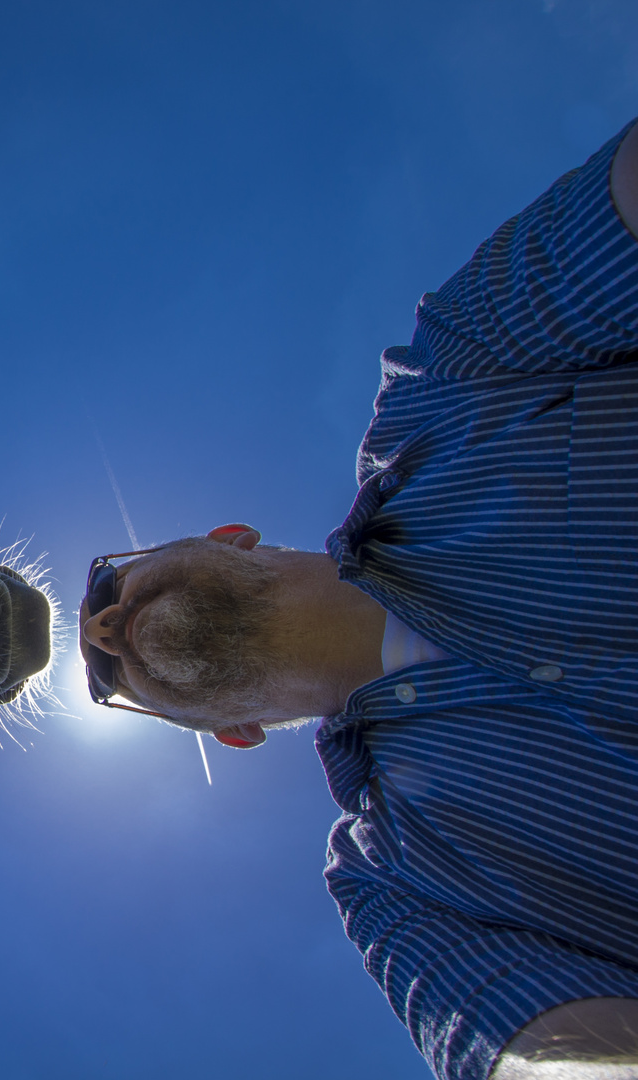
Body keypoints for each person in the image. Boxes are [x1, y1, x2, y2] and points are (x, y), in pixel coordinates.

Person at [81, 119, 638, 1080]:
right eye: (102, 675)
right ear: (234, 734)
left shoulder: (453, 381)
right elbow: (536, 1057)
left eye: (106, 582)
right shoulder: (397, 888)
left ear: (228, 536)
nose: (100, 628)